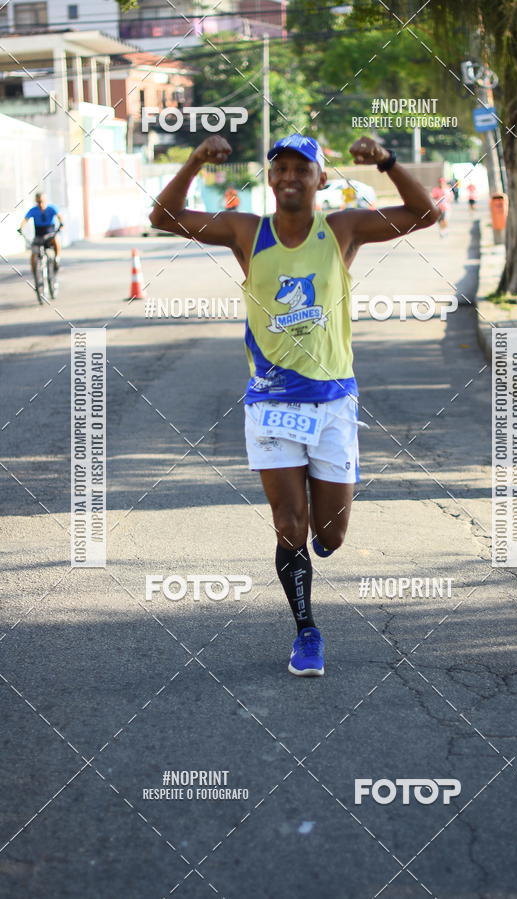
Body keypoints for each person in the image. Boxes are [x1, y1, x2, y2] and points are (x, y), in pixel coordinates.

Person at [149, 133, 440, 677]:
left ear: (319, 179)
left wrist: (388, 163)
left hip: (332, 403)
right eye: (279, 167)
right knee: (290, 524)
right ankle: (307, 632)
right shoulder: (246, 231)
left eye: (300, 168)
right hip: (271, 405)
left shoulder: (343, 229)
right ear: (269, 177)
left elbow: (424, 215)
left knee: (330, 533)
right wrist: (191, 161)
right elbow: (164, 217)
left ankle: (320, 541)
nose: (288, 177)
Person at [18, 192, 64, 273]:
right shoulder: (33, 210)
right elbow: (25, 219)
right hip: (39, 235)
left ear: (46, 200)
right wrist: (21, 228)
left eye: (42, 201)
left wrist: (61, 224)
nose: (41, 204)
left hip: (50, 234)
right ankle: (34, 271)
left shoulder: (52, 208)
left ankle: (57, 259)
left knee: (56, 240)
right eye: (38, 202)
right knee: (34, 253)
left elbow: (59, 217)